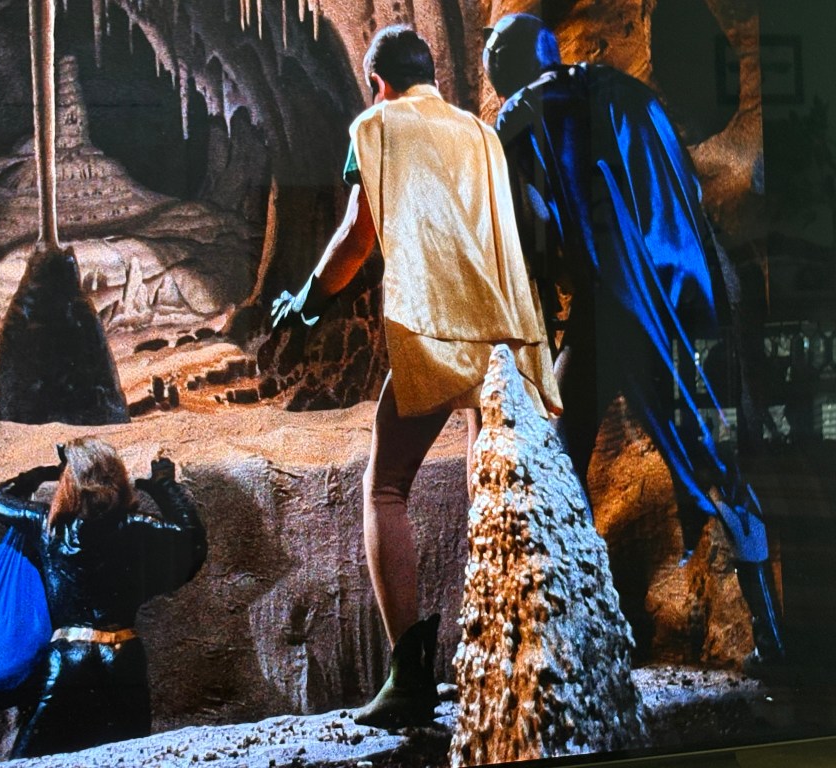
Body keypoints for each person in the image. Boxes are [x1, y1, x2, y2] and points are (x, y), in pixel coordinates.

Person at [271, 25, 561, 729]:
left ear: (378, 84)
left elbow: (356, 236)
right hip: (506, 329)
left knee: (387, 486)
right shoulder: (481, 132)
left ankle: (409, 676)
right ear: (432, 74)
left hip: (439, 326)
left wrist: (307, 302)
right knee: (493, 486)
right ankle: (509, 651)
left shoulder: (376, 127)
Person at [482, 13, 784, 669]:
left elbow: (529, 225)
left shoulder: (520, 114)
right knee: (717, 455)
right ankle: (773, 639)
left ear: (507, 69)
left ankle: (562, 633)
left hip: (611, 305)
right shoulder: (633, 94)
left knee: (554, 457)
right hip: (686, 299)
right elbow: (682, 193)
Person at [0, 438, 207, 757]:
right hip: (123, 656)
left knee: (29, 759)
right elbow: (192, 541)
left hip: (69, 659)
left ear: (71, 480)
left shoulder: (47, 524)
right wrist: (164, 486)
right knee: (130, 756)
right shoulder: (136, 526)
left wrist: (40, 475)